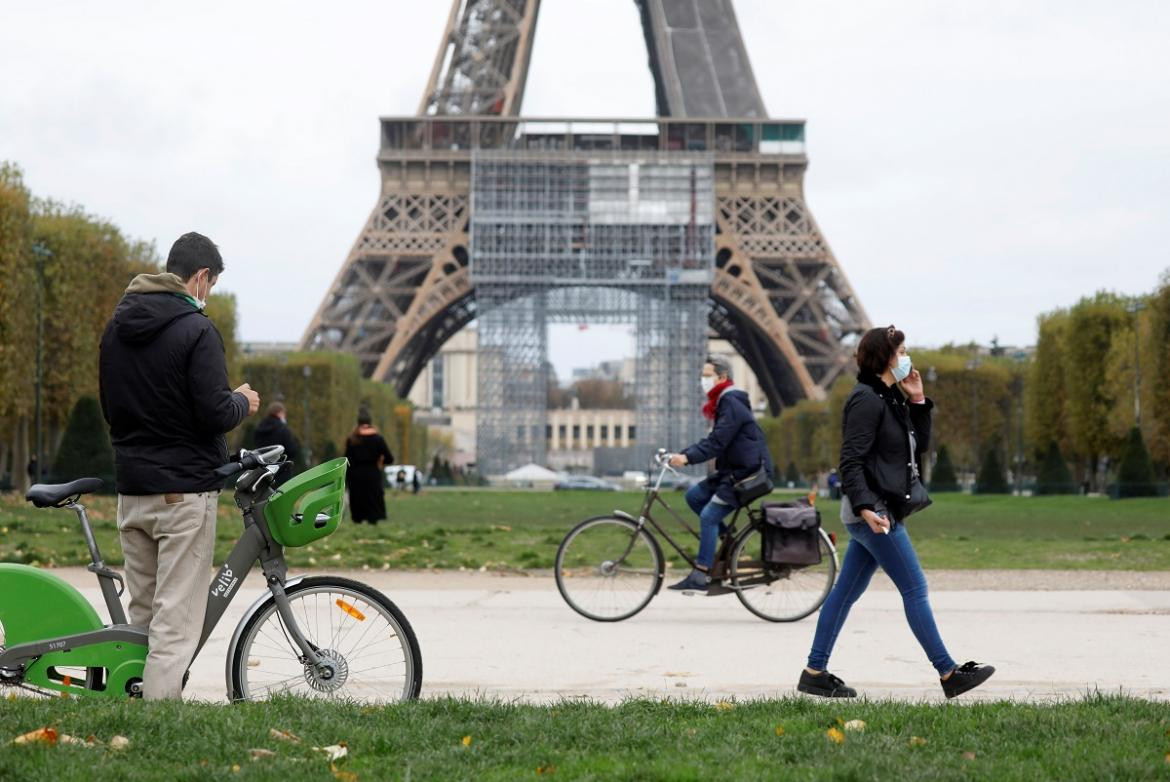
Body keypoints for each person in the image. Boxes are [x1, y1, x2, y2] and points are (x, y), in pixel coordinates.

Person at [98, 231, 259, 700]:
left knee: (143, 615)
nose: (208, 296)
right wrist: (240, 402)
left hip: (133, 490)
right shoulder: (198, 329)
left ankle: (129, 704)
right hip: (182, 493)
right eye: (210, 285)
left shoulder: (117, 326)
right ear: (201, 276)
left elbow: (111, 408)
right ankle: (159, 721)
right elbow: (213, 413)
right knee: (175, 621)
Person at [798, 325, 994, 700]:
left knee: (844, 594)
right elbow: (850, 461)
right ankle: (948, 672)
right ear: (885, 357)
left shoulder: (891, 397)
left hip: (879, 509)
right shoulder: (867, 399)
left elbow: (915, 447)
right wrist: (866, 506)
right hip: (874, 513)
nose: (907, 358)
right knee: (915, 588)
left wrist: (918, 400)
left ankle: (814, 671)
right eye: (901, 351)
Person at [666, 355, 774, 591]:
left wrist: (686, 458)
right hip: (732, 471)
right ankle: (730, 541)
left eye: (707, 376)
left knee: (708, 516)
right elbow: (715, 441)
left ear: (722, 377)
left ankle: (701, 574)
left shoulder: (731, 402)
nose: (702, 381)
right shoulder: (724, 401)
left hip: (748, 474)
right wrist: (684, 454)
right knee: (693, 496)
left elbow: (717, 442)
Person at [344, 409, 393, 524]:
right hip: (373, 473)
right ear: (371, 422)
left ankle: (357, 519)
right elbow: (390, 458)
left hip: (356, 474)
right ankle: (373, 519)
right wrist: (380, 463)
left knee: (358, 499)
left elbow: (347, 459)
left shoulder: (352, 439)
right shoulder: (378, 439)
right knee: (373, 499)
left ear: (358, 422)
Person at [252, 401, 301, 485]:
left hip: (263, 469)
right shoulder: (283, 429)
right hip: (281, 470)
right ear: (280, 413)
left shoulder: (259, 428)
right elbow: (292, 450)